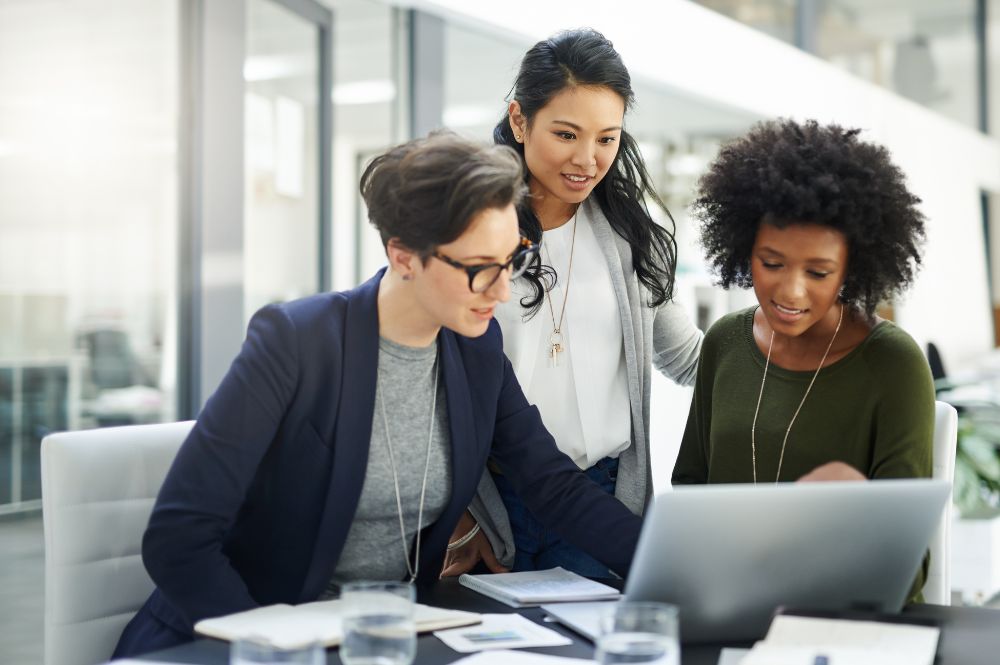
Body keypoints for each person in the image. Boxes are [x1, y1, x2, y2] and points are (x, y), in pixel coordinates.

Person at [112, 132, 643, 657]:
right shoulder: (297, 342)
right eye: (482, 270)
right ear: (405, 256)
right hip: (242, 640)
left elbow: (552, 485)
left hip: (379, 639)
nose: (503, 291)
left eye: (512, 262)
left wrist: (664, 559)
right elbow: (178, 539)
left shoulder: (474, 351)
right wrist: (277, 651)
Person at [441, 28, 703, 579]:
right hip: (492, 504)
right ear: (519, 121)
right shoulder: (469, 230)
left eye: (607, 139)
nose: (587, 159)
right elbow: (430, 379)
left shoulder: (632, 235)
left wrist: (795, 344)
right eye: (566, 134)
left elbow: (687, 358)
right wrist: (462, 514)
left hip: (603, 500)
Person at [671, 118, 933, 600]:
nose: (790, 291)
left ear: (851, 270)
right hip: (727, 603)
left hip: (843, 620)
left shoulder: (893, 366)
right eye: (771, 263)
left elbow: (907, 565)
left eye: (818, 271)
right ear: (743, 248)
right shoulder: (725, 342)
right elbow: (689, 490)